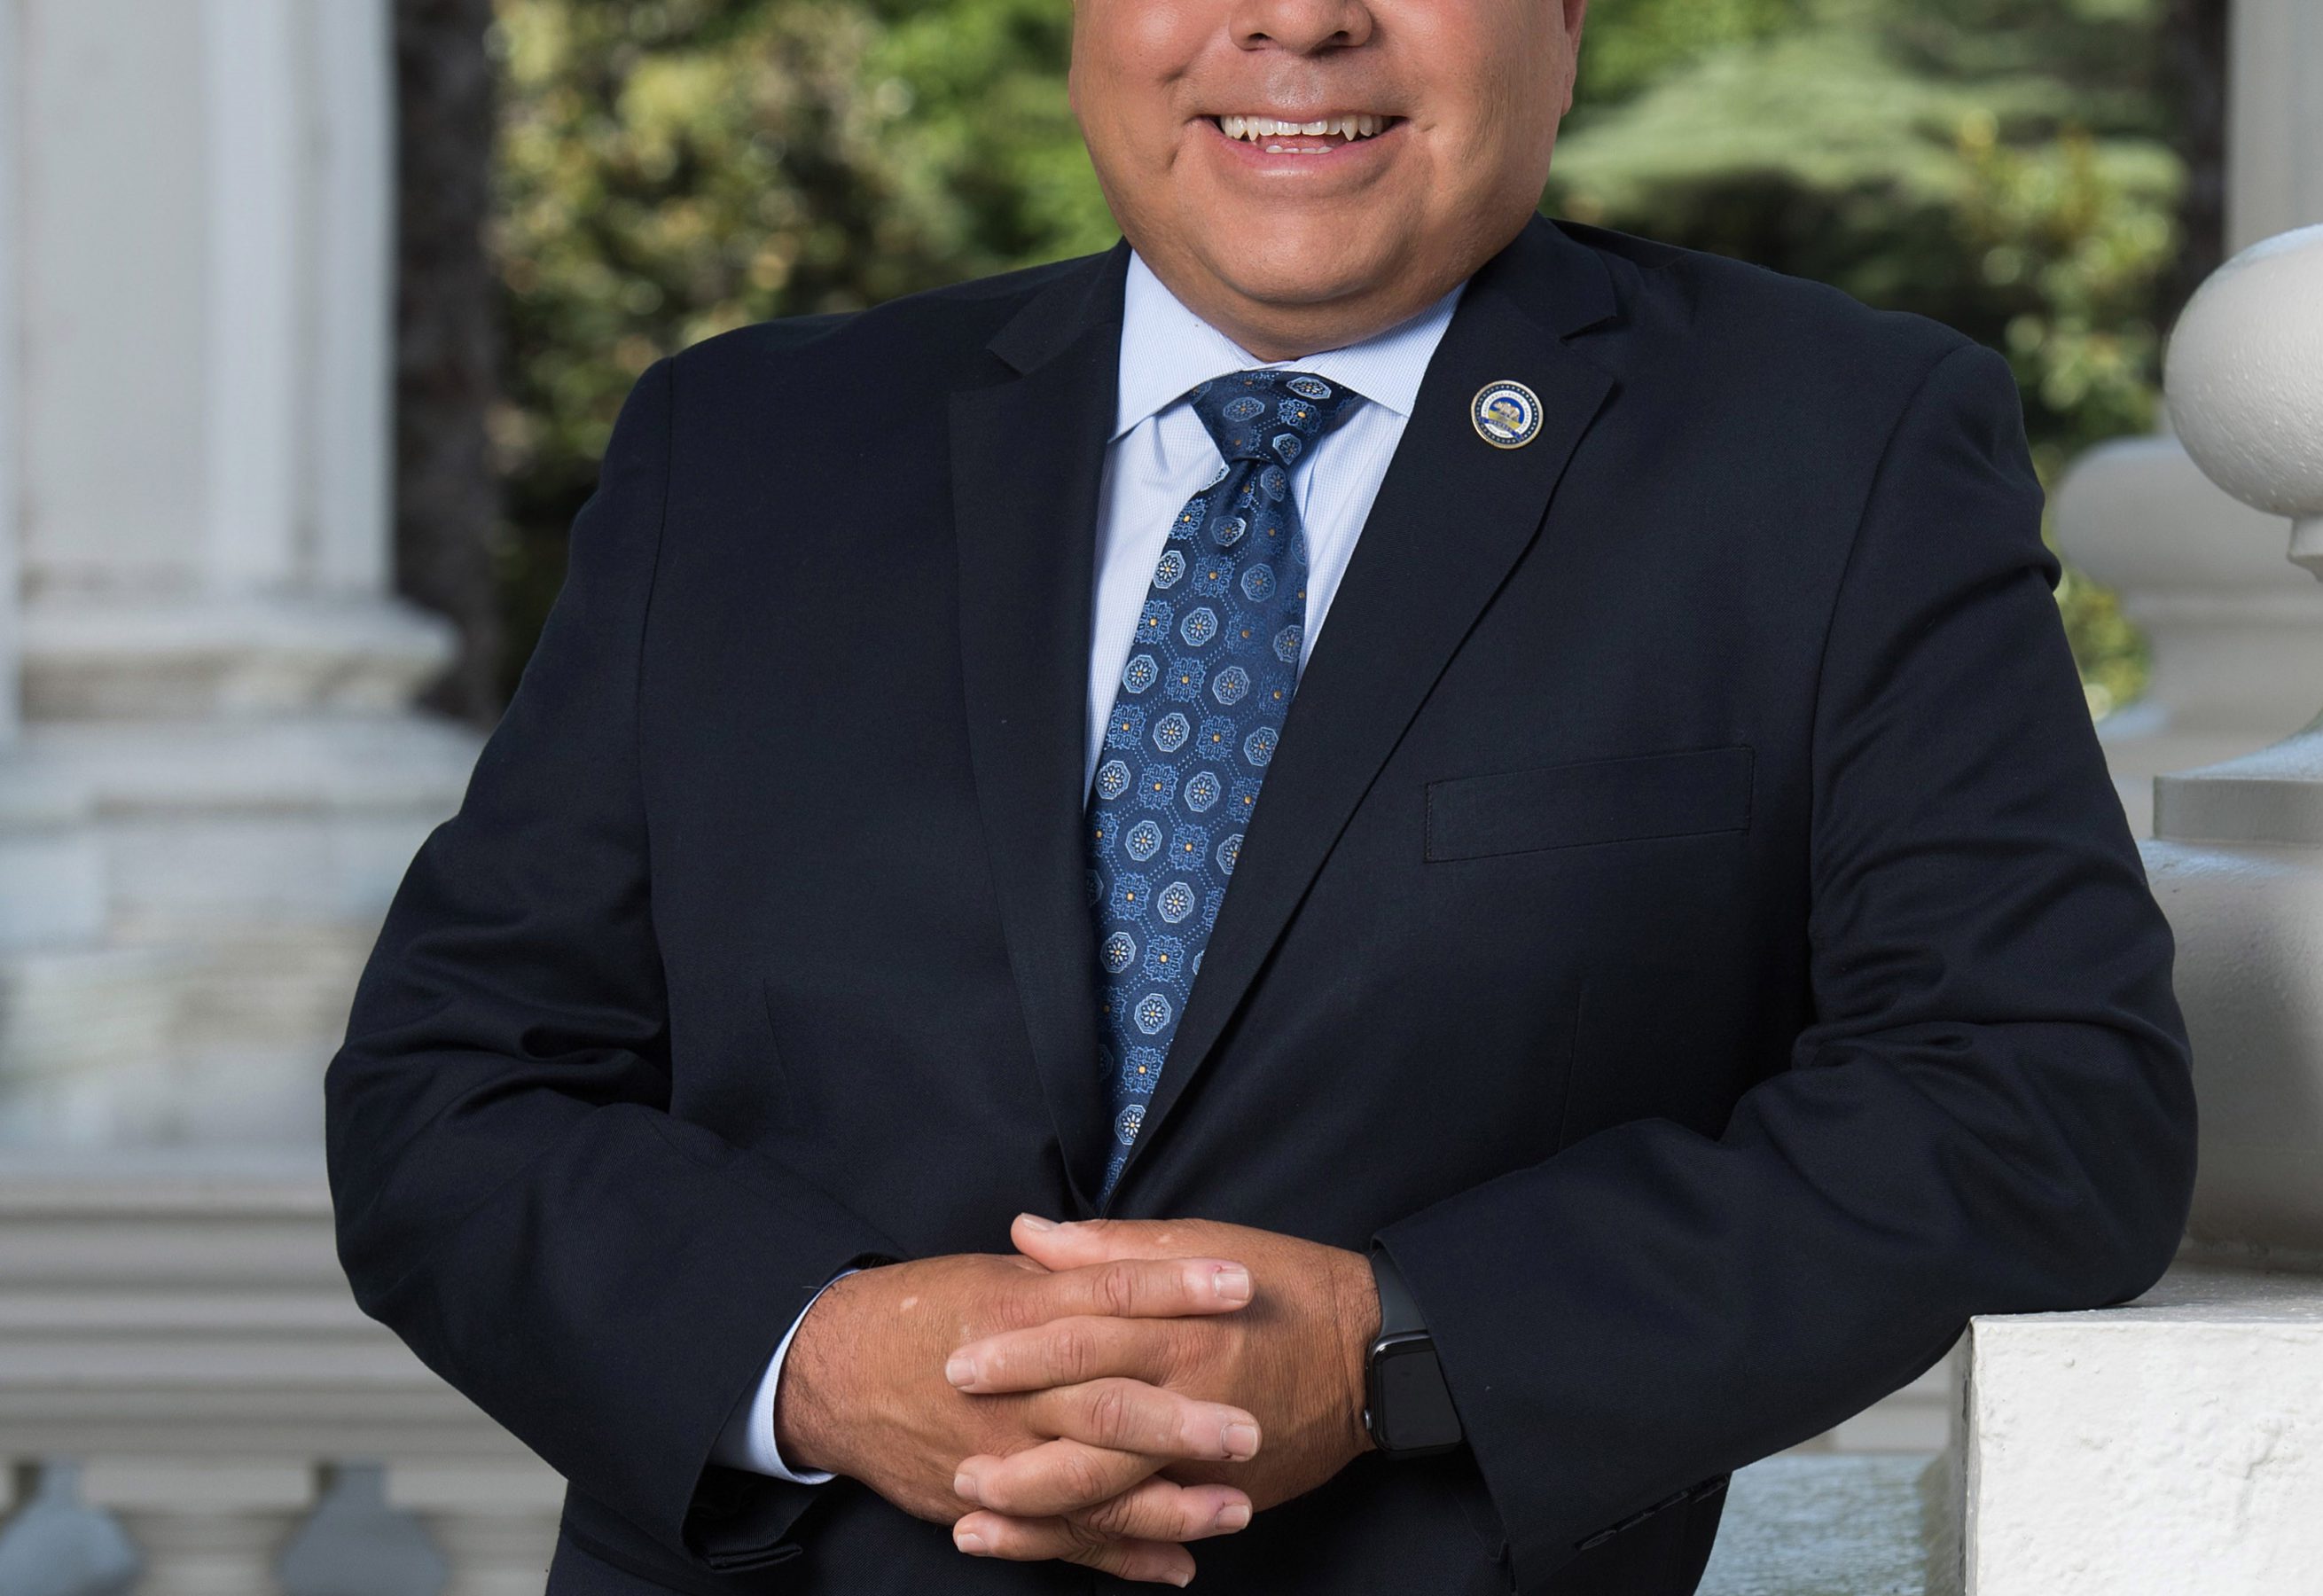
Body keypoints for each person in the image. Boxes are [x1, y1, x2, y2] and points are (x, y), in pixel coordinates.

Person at [325, 3, 2198, 1592]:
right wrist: (812, 1356)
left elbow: (2045, 1103)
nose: (1299, 19)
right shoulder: (745, 449)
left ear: (1564, 23)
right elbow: (452, 1092)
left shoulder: (1835, 454)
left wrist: (1403, 1347)